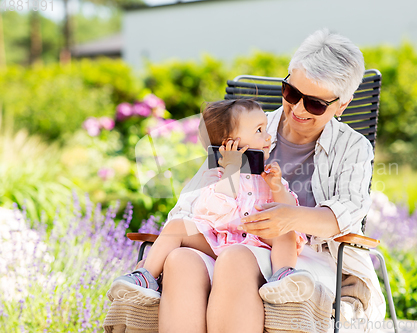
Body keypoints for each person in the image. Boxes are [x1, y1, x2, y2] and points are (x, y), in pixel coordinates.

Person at [129, 29, 386, 333]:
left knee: (237, 259)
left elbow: (346, 213)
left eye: (315, 104)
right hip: (229, 239)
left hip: (303, 258)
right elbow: (188, 206)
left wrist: (289, 218)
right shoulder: (250, 127)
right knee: (182, 261)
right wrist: (222, 178)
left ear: (341, 105)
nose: (299, 109)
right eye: (291, 93)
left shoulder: (352, 148)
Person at [107, 99, 317, 306]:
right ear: (230, 143)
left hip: (259, 241)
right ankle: (145, 277)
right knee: (176, 226)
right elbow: (215, 214)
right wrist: (231, 172)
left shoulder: (269, 175)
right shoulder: (215, 176)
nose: (268, 136)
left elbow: (290, 210)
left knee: (286, 230)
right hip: (219, 240)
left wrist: (276, 186)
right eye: (259, 130)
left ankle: (283, 276)